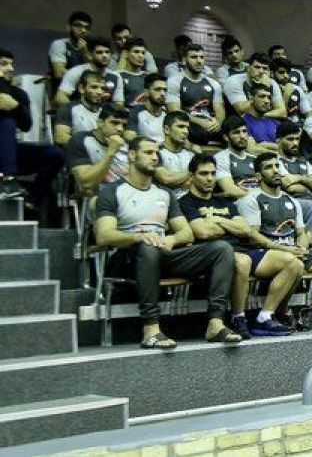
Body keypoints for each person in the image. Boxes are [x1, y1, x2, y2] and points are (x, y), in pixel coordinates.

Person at [94, 137, 239, 349]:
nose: (155, 157)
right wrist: (139, 237)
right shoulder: (112, 191)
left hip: (162, 254)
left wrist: (171, 238)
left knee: (222, 249)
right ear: (132, 155)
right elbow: (104, 235)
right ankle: (151, 329)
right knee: (148, 247)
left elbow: (186, 233)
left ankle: (216, 323)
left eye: (156, 153)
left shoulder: (164, 193)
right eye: (149, 152)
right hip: (128, 258)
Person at [178, 154, 300, 338]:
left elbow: (245, 230)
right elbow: (203, 232)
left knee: (292, 262)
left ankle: (265, 317)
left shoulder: (224, 202)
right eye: (203, 173)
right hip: (213, 255)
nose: (210, 178)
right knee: (242, 261)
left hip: (242, 249)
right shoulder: (185, 203)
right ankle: (238, 317)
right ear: (192, 176)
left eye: (213, 173)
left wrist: (216, 220)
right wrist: (230, 226)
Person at [238, 152, 312, 330]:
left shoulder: (291, 200)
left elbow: (301, 233)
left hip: (292, 252)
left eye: (277, 166)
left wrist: (302, 248)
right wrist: (286, 250)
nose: (275, 170)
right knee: (294, 263)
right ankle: (273, 314)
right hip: (264, 253)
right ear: (258, 176)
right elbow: (252, 235)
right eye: (269, 167)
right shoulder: (251, 199)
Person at [0, 48, 65, 205]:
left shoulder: (18, 93)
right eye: (3, 64)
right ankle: (8, 180)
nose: (11, 68)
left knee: (55, 154)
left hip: (7, 152)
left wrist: (15, 107)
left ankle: (31, 200)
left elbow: (26, 125)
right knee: (7, 122)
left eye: (11, 64)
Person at [165, 43, 225, 145]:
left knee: (232, 130)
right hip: (188, 122)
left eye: (201, 57)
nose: (199, 61)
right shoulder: (174, 82)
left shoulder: (213, 83)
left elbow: (219, 110)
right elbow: (174, 111)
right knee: (199, 134)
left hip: (210, 122)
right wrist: (201, 122)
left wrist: (217, 123)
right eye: (194, 57)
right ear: (185, 60)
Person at [65, 104, 129, 193]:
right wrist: (111, 151)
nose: (120, 129)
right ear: (100, 123)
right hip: (95, 196)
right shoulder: (80, 140)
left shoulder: (127, 144)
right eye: (114, 123)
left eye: (124, 125)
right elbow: (86, 183)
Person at [54, 35, 124, 108]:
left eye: (107, 52)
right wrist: (78, 111)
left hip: (103, 114)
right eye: (99, 52)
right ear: (91, 54)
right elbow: (60, 98)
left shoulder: (116, 76)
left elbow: (119, 104)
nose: (104, 55)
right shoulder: (76, 71)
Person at [222, 53, 287, 119]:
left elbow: (282, 112)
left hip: (264, 120)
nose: (261, 71)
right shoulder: (234, 81)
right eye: (257, 67)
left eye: (265, 68)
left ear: (269, 72)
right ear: (248, 68)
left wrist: (263, 115)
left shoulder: (272, 83)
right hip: (240, 122)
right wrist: (263, 88)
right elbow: (241, 110)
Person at [155, 111, 195, 198]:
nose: (186, 131)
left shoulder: (191, 154)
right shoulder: (155, 152)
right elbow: (166, 179)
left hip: (190, 201)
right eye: (181, 126)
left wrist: (178, 180)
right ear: (167, 129)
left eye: (187, 128)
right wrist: (192, 172)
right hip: (165, 201)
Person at [49, 11, 91, 83]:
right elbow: (60, 73)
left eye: (87, 28)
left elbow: (97, 73)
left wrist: (85, 54)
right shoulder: (60, 44)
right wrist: (87, 78)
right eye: (78, 26)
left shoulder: (91, 48)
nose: (83, 30)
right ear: (68, 27)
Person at [126, 73, 167, 143]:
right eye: (158, 89)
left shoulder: (167, 115)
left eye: (165, 90)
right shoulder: (135, 112)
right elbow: (130, 136)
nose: (162, 94)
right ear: (146, 92)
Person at [241, 83, 280, 147]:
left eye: (269, 98)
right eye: (262, 96)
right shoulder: (243, 123)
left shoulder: (275, 122)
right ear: (251, 99)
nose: (267, 101)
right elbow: (252, 149)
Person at [270, 57, 306, 125]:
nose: (286, 76)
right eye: (281, 72)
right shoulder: (268, 89)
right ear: (272, 73)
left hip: (297, 125)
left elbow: (308, 112)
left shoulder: (296, 88)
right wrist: (286, 95)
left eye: (287, 72)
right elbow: (281, 115)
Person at [116, 37, 150, 107]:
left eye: (143, 53)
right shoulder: (118, 76)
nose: (140, 56)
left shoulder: (149, 77)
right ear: (126, 54)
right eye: (136, 52)